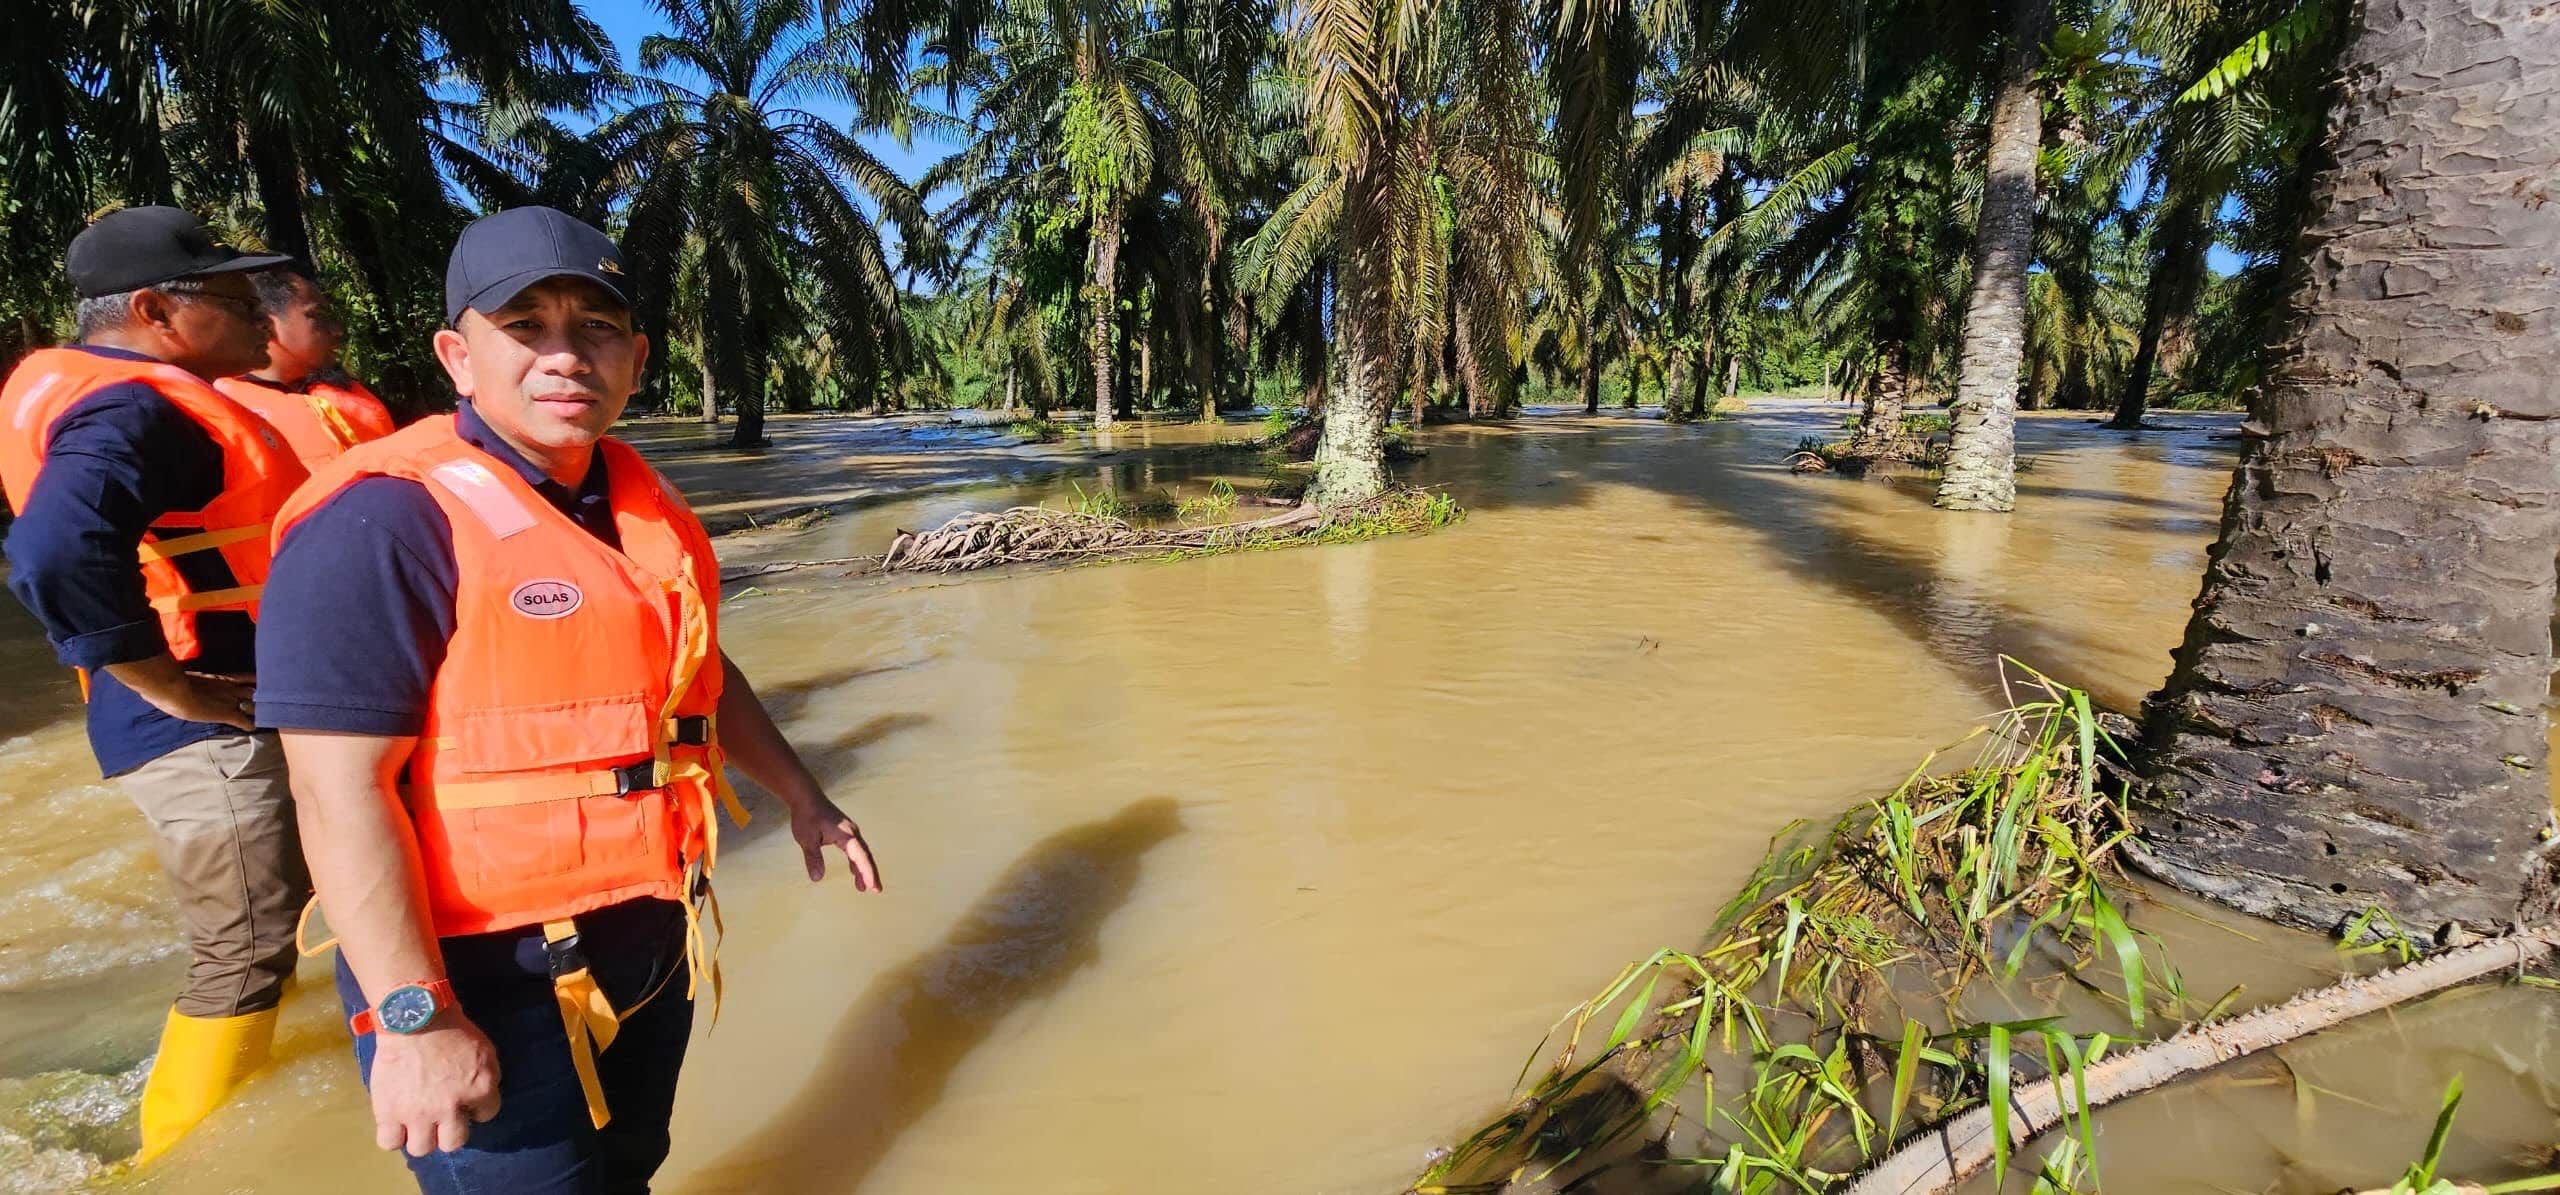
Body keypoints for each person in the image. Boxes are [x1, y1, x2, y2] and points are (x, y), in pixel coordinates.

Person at [257, 206, 883, 1193]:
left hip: (648, 933)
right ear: (458, 356)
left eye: (593, 328)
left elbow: (700, 675)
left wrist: (805, 796)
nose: (566, 356)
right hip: (476, 976)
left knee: (629, 1171)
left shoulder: (636, 502)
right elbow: (335, 793)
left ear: (635, 356)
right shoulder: (382, 519)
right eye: (527, 327)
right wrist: (414, 1020)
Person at [0, 206, 306, 1162]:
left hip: (200, 723)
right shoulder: (138, 406)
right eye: (231, 295)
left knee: (262, 930)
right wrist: (171, 688)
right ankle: (171, 1165)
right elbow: (51, 555)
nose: (262, 314)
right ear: (151, 310)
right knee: (242, 951)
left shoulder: (91, 396)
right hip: (200, 733)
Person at [215, 266, 396, 469]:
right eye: (317, 316)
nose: (336, 331)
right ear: (266, 326)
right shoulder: (225, 411)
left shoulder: (345, 396)